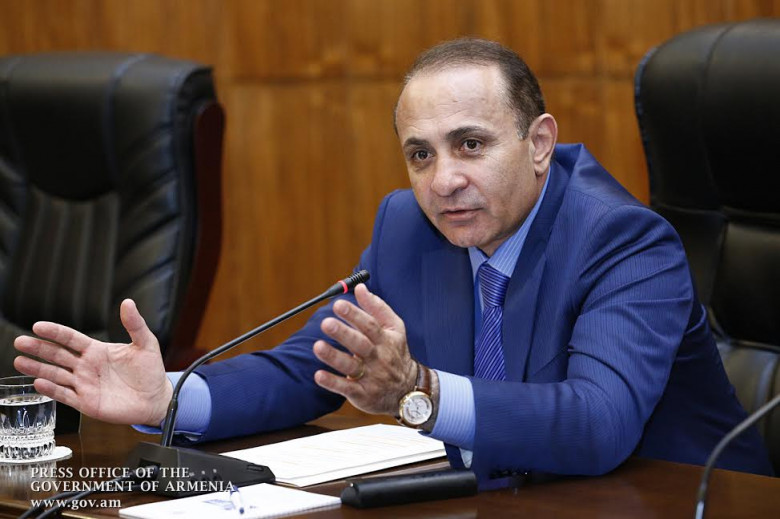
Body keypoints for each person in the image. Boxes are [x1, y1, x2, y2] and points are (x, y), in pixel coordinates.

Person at [14, 38, 773, 484]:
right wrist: (169, 397)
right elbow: (312, 367)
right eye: (421, 154)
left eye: (470, 144)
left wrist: (421, 392)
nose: (443, 180)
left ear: (539, 143)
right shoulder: (409, 226)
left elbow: (596, 423)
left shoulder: (624, 241)